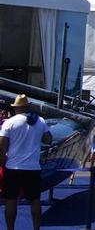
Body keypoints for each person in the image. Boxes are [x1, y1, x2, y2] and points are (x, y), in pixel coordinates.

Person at [0, 95, 52, 230]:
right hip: (33, 168)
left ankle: (10, 229)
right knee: (35, 200)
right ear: (27, 106)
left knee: (11, 200)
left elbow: (2, 146)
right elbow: (48, 140)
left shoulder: (9, 122)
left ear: (16, 108)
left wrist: (1, 163)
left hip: (13, 167)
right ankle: (36, 228)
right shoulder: (39, 121)